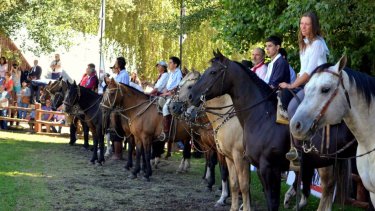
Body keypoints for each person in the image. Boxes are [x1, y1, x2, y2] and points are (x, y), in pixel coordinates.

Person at [278, 12, 329, 162]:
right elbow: (302, 70)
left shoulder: (318, 44)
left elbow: (309, 72)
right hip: (308, 83)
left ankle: (298, 149)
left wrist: (291, 85)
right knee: (283, 96)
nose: (303, 27)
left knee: (293, 106)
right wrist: (291, 85)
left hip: (317, 85)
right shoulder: (305, 44)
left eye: (307, 24)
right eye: (301, 23)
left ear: (314, 26)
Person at [160, 56, 182, 141]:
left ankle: (166, 131)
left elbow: (178, 86)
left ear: (175, 65)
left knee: (165, 108)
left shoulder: (178, 73)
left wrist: (168, 93)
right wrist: (163, 93)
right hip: (167, 94)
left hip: (174, 95)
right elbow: (167, 86)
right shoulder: (171, 73)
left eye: (170, 63)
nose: (168, 64)